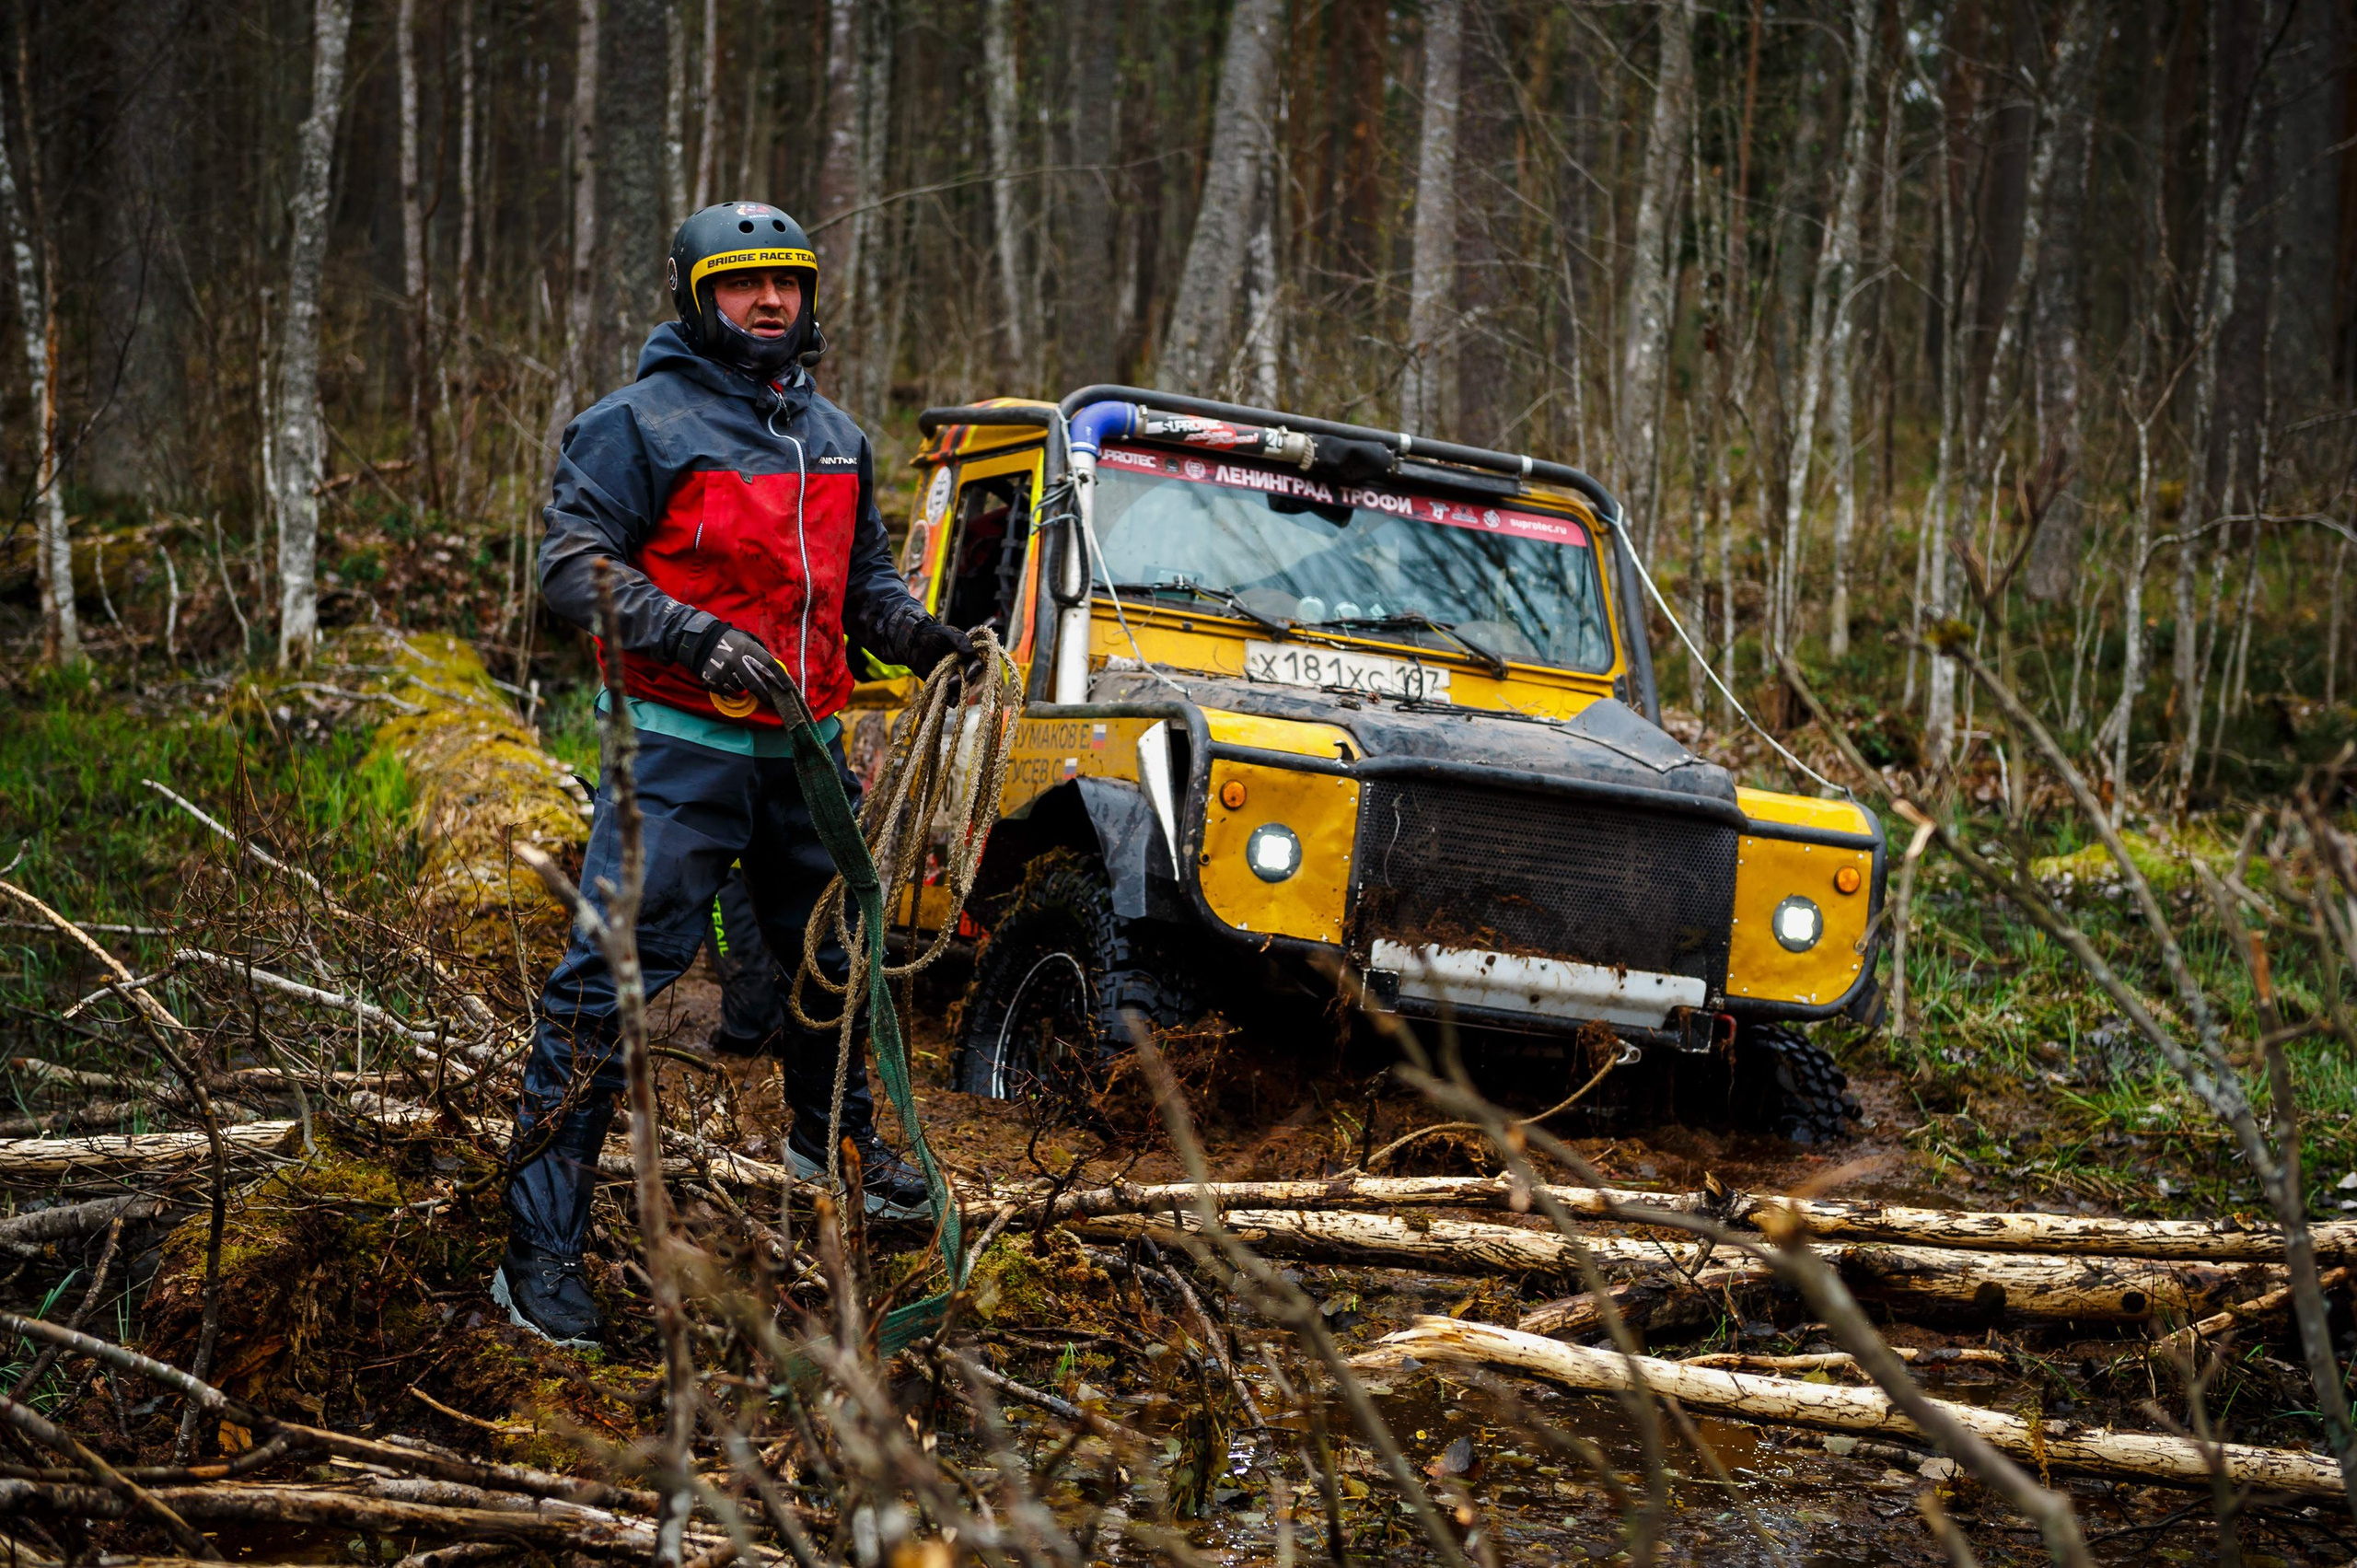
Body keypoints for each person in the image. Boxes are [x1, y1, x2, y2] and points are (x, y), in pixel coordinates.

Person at [493, 202, 973, 1347]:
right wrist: (690, 632)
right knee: (606, 986)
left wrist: (922, 638)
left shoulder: (841, 438)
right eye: (741, 283)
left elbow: (862, 591)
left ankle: (837, 1155)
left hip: (802, 753)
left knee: (833, 968)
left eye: (787, 283)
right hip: (673, 747)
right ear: (694, 295)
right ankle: (537, 1252)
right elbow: (571, 567)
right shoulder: (634, 424)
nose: (769, 302)